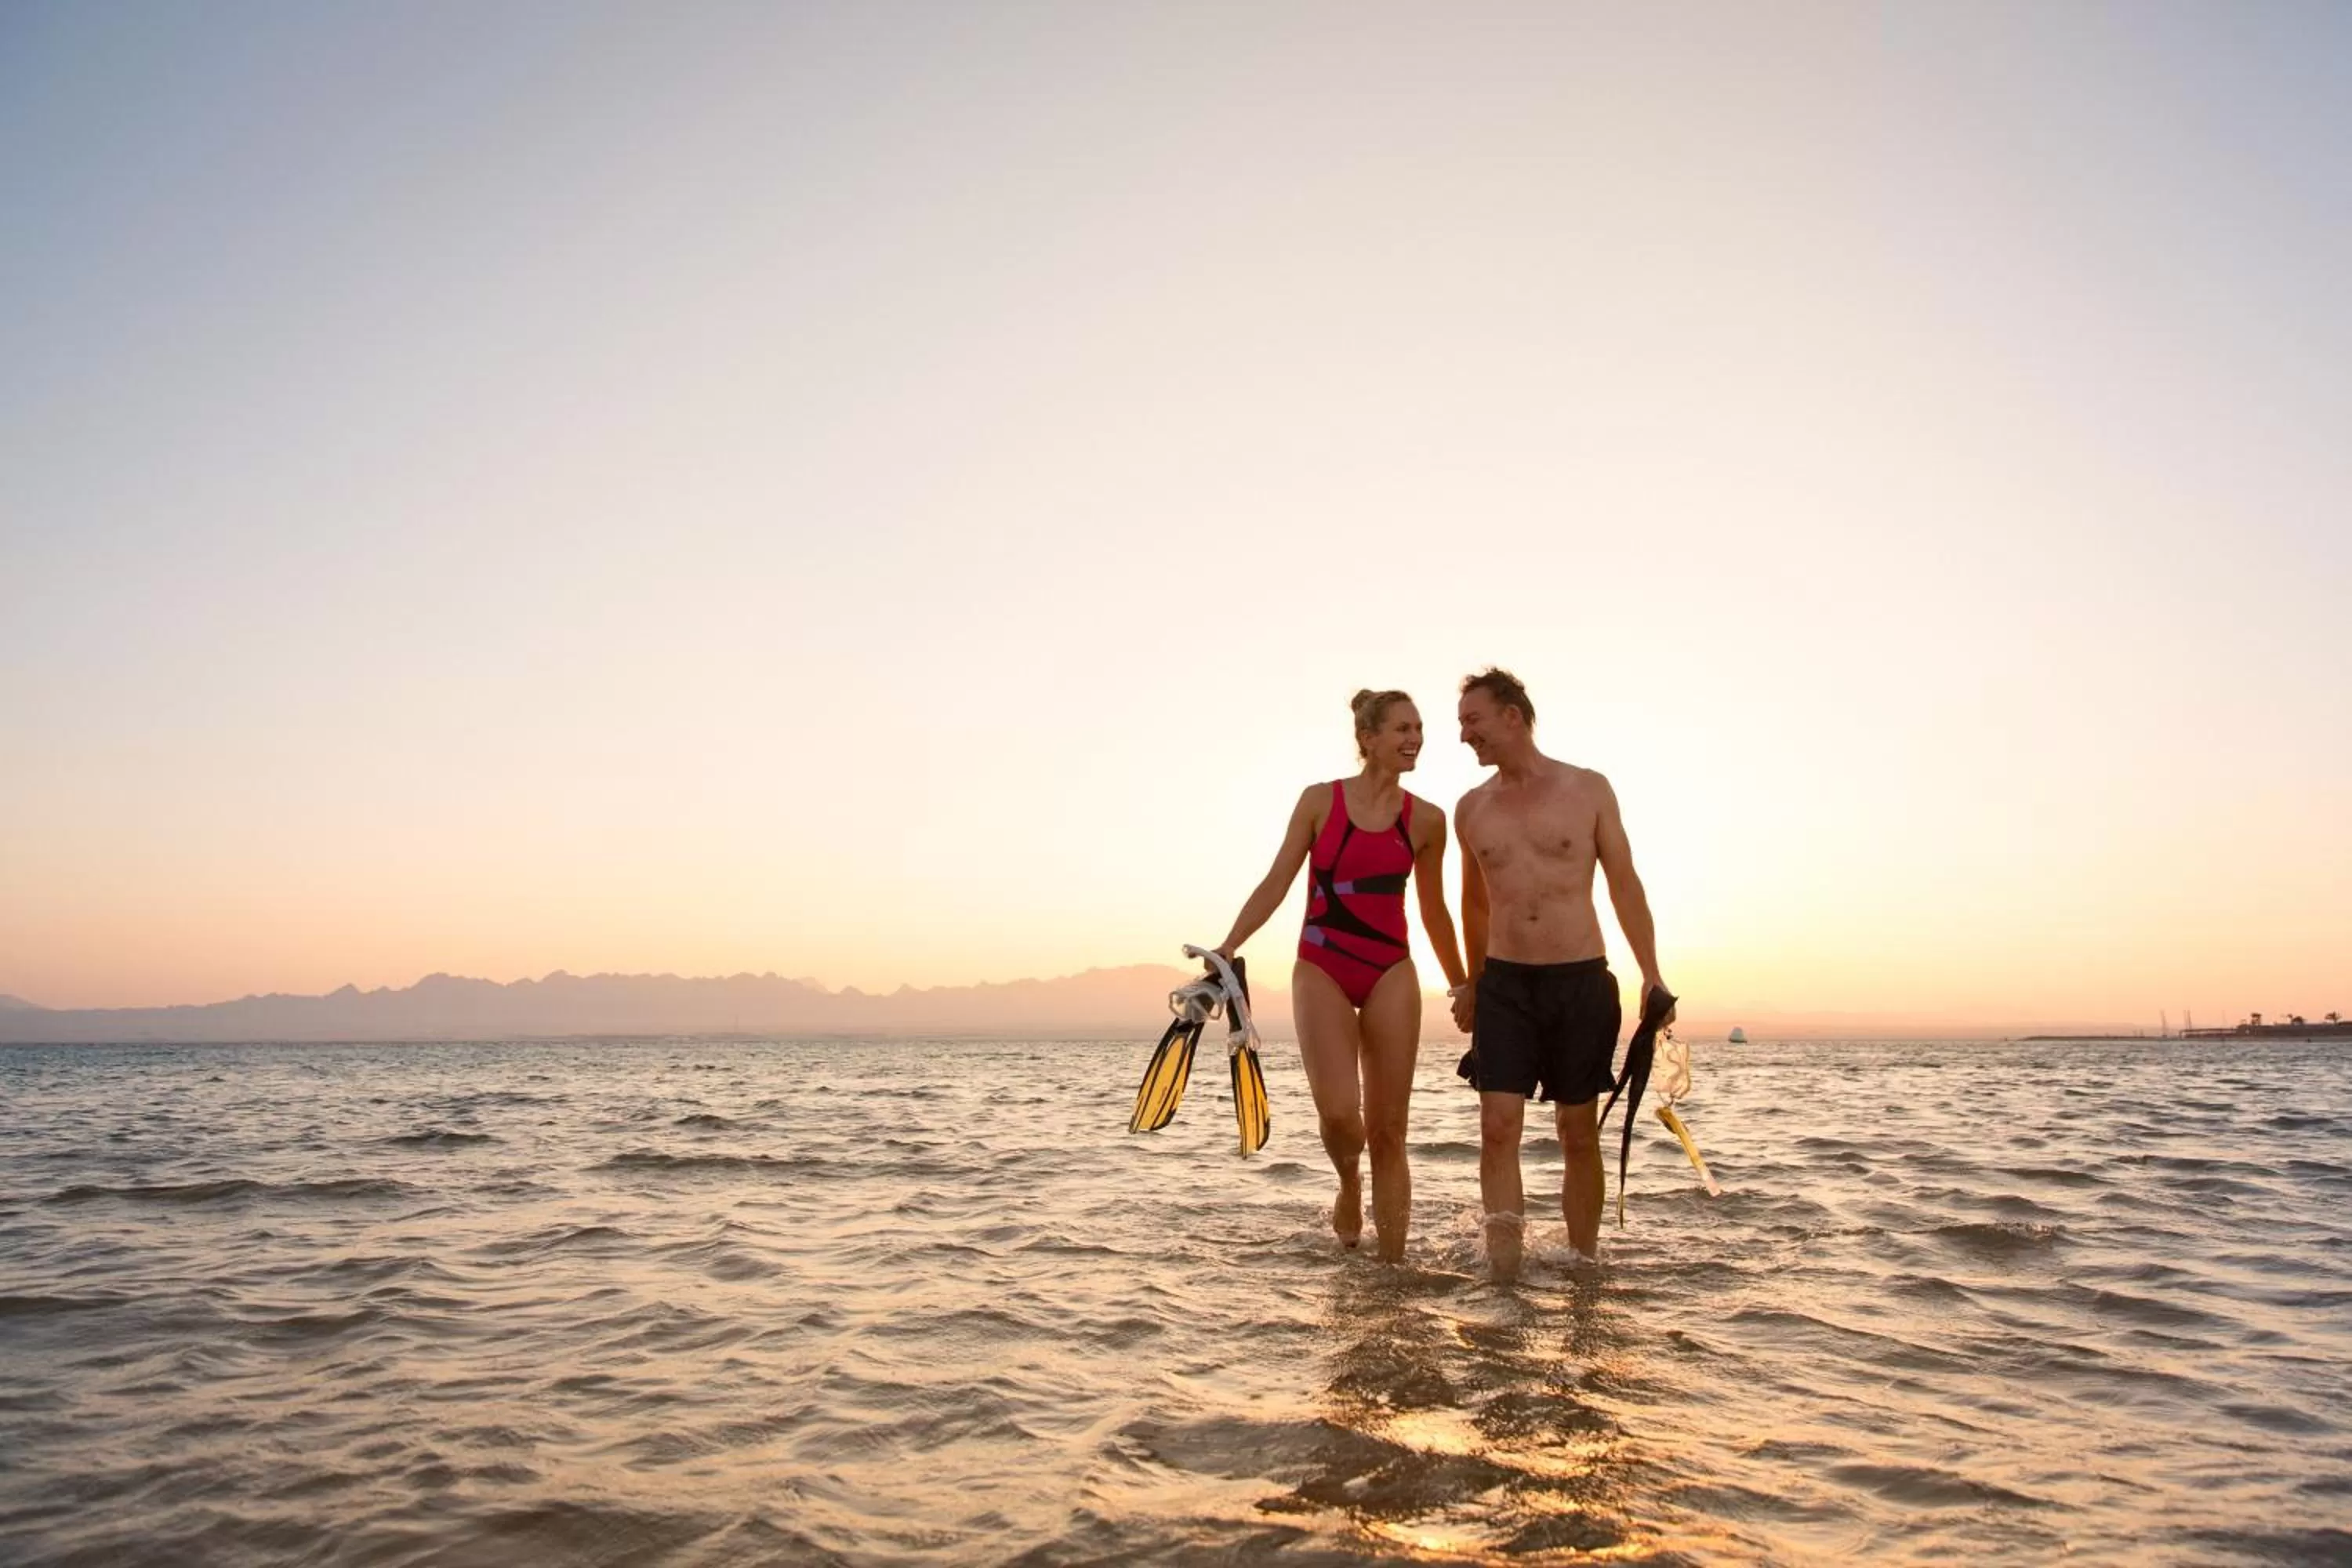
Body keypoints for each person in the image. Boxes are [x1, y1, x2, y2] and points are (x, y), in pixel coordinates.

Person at [1215, 689, 1469, 1262]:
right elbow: (1277, 880)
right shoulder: (1318, 803)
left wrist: (1462, 984)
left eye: (1420, 729)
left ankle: (1392, 1275)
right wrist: (1230, 944)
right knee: (1339, 1115)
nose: (1415, 739)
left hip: (1392, 970)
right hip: (1322, 966)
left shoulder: (1427, 820)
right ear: (1369, 740)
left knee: (1389, 1131)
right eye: (1403, 729)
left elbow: (1434, 911)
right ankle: (1349, 1183)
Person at [1450, 667, 1672, 1280]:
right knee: (1497, 1128)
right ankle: (1504, 1276)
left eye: (1473, 719)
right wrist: (1471, 981)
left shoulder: (1588, 789)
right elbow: (1473, 903)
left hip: (1580, 980)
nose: (1464, 733)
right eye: (1462, 722)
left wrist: (1651, 974)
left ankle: (1583, 1267)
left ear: (1512, 716)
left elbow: (1625, 884)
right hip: (1505, 986)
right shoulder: (1470, 809)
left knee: (1577, 1131)